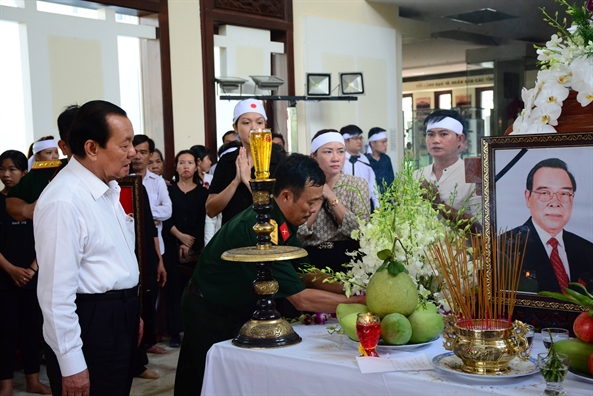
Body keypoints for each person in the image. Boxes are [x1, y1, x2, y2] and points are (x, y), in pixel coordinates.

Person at [174, 153, 366, 395]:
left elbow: (303, 269)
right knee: (206, 380)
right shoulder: (260, 228)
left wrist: (349, 286)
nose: (314, 209)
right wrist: (360, 303)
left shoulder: (281, 218)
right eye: (311, 202)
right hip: (208, 309)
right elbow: (300, 298)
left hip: (235, 308)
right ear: (286, 195)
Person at [34, 100, 142, 395]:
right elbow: (55, 296)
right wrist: (72, 365)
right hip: (92, 325)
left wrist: (131, 311)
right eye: (124, 145)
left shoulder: (107, 189)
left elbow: (112, 260)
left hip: (118, 316)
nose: (132, 153)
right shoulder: (64, 201)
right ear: (92, 148)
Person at [0, 150, 51, 396]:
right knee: (5, 332)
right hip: (4, 278)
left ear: (25, 172)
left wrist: (31, 269)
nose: (6, 174)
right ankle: (6, 385)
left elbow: (48, 239)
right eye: (2, 169)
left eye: (12, 169)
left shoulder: (37, 203)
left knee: (32, 331)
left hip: (33, 277)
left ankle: (33, 381)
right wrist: (11, 269)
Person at [502, 158, 593, 293]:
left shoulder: (587, 249)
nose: (555, 202)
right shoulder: (505, 246)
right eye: (544, 193)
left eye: (564, 193)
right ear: (528, 197)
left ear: (572, 198)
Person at [298, 130, 370, 273]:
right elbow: (298, 233)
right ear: (313, 156)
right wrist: (319, 196)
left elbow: (361, 232)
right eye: (328, 152)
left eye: (341, 152)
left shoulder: (357, 184)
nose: (336, 158)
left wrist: (331, 196)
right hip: (310, 258)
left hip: (347, 258)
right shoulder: (302, 186)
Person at [206, 99, 286, 225]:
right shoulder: (227, 161)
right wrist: (235, 181)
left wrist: (248, 179)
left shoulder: (279, 161)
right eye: (246, 123)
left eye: (259, 122)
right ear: (235, 128)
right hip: (234, 236)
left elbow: (279, 209)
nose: (254, 128)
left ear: (264, 126)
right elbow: (210, 210)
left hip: (270, 235)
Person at [163, 150, 209, 348]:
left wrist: (190, 244)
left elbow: (203, 221)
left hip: (196, 249)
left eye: (190, 162)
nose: (186, 167)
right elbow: (166, 217)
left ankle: (194, 329)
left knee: (194, 292)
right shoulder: (169, 191)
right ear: (176, 167)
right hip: (173, 245)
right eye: (181, 163)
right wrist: (180, 238)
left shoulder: (203, 193)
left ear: (196, 166)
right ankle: (174, 332)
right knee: (173, 290)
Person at [6, 105, 78, 221]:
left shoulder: (111, 172)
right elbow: (12, 200)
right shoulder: (46, 171)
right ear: (64, 147)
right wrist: (26, 209)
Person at [416, 109, 481, 232]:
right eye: (430, 134)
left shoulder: (473, 176)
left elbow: (480, 227)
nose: (436, 140)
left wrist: (439, 206)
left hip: (460, 251)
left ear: (460, 139)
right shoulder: (417, 175)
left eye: (443, 134)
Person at [339, 124, 379, 210]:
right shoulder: (339, 159)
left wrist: (377, 203)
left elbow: (372, 182)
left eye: (360, 138)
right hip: (345, 205)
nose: (359, 141)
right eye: (355, 138)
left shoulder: (364, 159)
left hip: (365, 204)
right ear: (345, 141)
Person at [365, 127, 394, 194]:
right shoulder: (364, 160)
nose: (386, 145)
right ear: (372, 143)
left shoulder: (386, 159)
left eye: (386, 142)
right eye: (383, 142)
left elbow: (392, 182)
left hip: (387, 200)